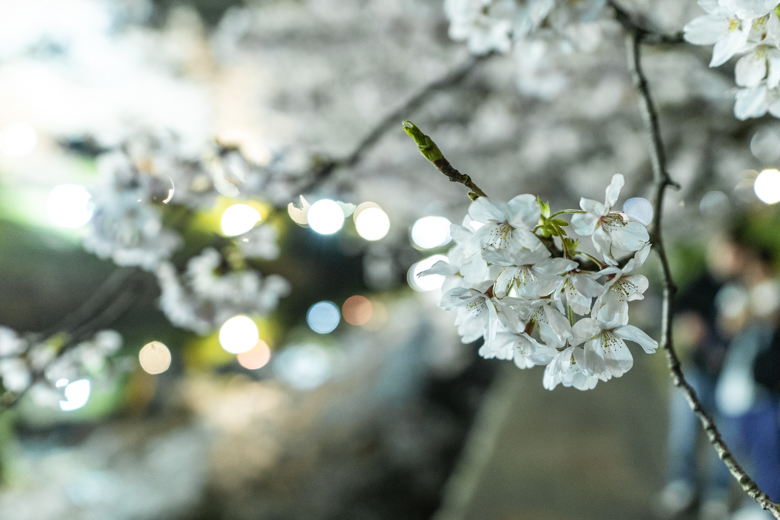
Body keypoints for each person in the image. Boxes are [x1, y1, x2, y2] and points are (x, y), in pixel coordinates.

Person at [660, 233, 749, 520]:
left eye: (735, 254)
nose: (730, 260)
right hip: (697, 372)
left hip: (731, 378)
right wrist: (687, 323)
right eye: (725, 253)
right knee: (684, 432)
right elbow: (677, 306)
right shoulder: (699, 283)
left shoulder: (746, 287)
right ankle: (681, 485)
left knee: (725, 439)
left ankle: (717, 493)